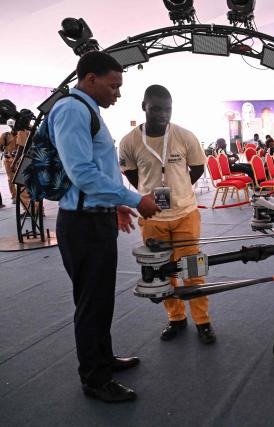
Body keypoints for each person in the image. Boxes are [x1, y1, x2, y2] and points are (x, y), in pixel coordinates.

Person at [50, 51, 161, 403]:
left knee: (99, 300)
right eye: (113, 86)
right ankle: (95, 379)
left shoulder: (89, 110)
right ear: (90, 79)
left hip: (96, 218)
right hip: (82, 226)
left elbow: (100, 170)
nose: (117, 93)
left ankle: (104, 359)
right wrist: (132, 200)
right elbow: (81, 173)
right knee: (91, 302)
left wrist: (115, 206)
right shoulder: (72, 110)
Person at [119, 85, 216, 345]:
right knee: (163, 271)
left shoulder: (185, 136)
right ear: (144, 107)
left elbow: (196, 169)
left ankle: (203, 321)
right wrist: (148, 193)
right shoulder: (129, 141)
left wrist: (181, 191)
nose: (163, 114)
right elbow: (132, 175)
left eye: (168, 109)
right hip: (153, 220)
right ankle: (176, 318)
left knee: (193, 270)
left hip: (186, 214)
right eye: (156, 108)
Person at [1, 119, 19, 204]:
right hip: (8, 160)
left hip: (19, 159)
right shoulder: (5, 135)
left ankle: (23, 197)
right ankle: (14, 196)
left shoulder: (22, 134)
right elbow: (1, 147)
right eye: (12, 126)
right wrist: (6, 152)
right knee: (11, 179)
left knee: (21, 179)